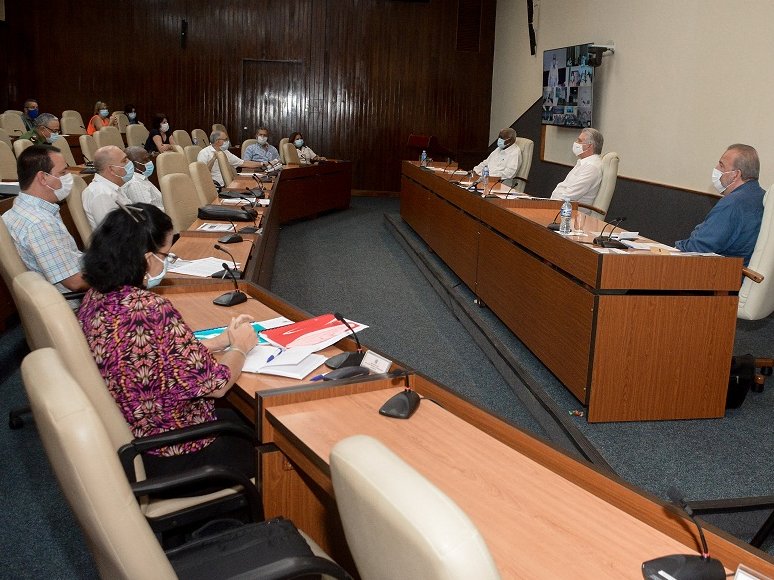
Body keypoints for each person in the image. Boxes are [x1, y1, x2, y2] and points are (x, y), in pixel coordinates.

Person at [77, 202, 258, 478]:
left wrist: (216, 343)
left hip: (130, 435)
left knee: (243, 421)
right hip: (169, 448)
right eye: (167, 255)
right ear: (148, 258)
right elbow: (217, 386)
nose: (167, 262)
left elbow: (146, 354)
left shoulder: (96, 297)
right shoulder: (149, 308)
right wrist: (239, 347)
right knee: (270, 448)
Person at [2, 146, 87, 294]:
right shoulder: (40, 223)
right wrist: (121, 275)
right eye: (63, 172)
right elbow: (75, 282)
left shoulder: (21, 209)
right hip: (76, 305)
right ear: (43, 178)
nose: (68, 177)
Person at [675, 144, 764, 266]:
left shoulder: (732, 203)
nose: (716, 169)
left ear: (735, 174)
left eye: (721, 166)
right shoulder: (763, 198)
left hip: (725, 277)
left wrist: (688, 238)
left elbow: (696, 247)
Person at [81, 145, 133, 230]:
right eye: (124, 160)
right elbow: (115, 234)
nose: (129, 162)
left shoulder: (112, 187)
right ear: (112, 170)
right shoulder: (101, 194)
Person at [550, 127, 604, 207]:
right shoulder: (584, 163)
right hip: (556, 206)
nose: (575, 143)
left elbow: (569, 196)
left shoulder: (591, 167)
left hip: (569, 214)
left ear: (589, 146)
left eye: (579, 141)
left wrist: (546, 204)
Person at [122, 146, 164, 210]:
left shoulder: (141, 178)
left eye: (149, 159)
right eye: (145, 160)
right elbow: (147, 212)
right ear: (132, 164)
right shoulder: (135, 183)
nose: (150, 162)